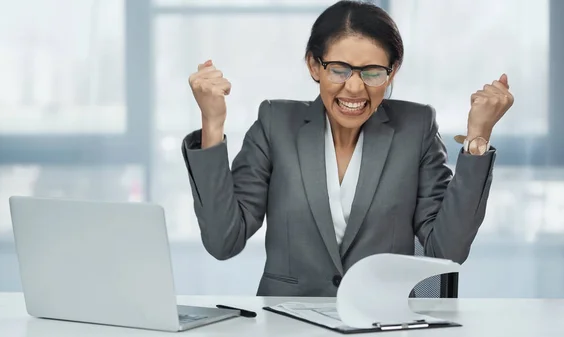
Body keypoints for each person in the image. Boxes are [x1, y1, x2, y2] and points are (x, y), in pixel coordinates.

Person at [181, 0, 513, 297]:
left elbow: (447, 251)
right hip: (289, 322)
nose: (354, 88)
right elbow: (224, 241)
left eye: (372, 72)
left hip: (384, 321)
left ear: (392, 71)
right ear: (314, 66)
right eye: (339, 69)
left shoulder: (416, 127)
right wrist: (211, 124)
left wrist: (478, 135)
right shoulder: (275, 123)